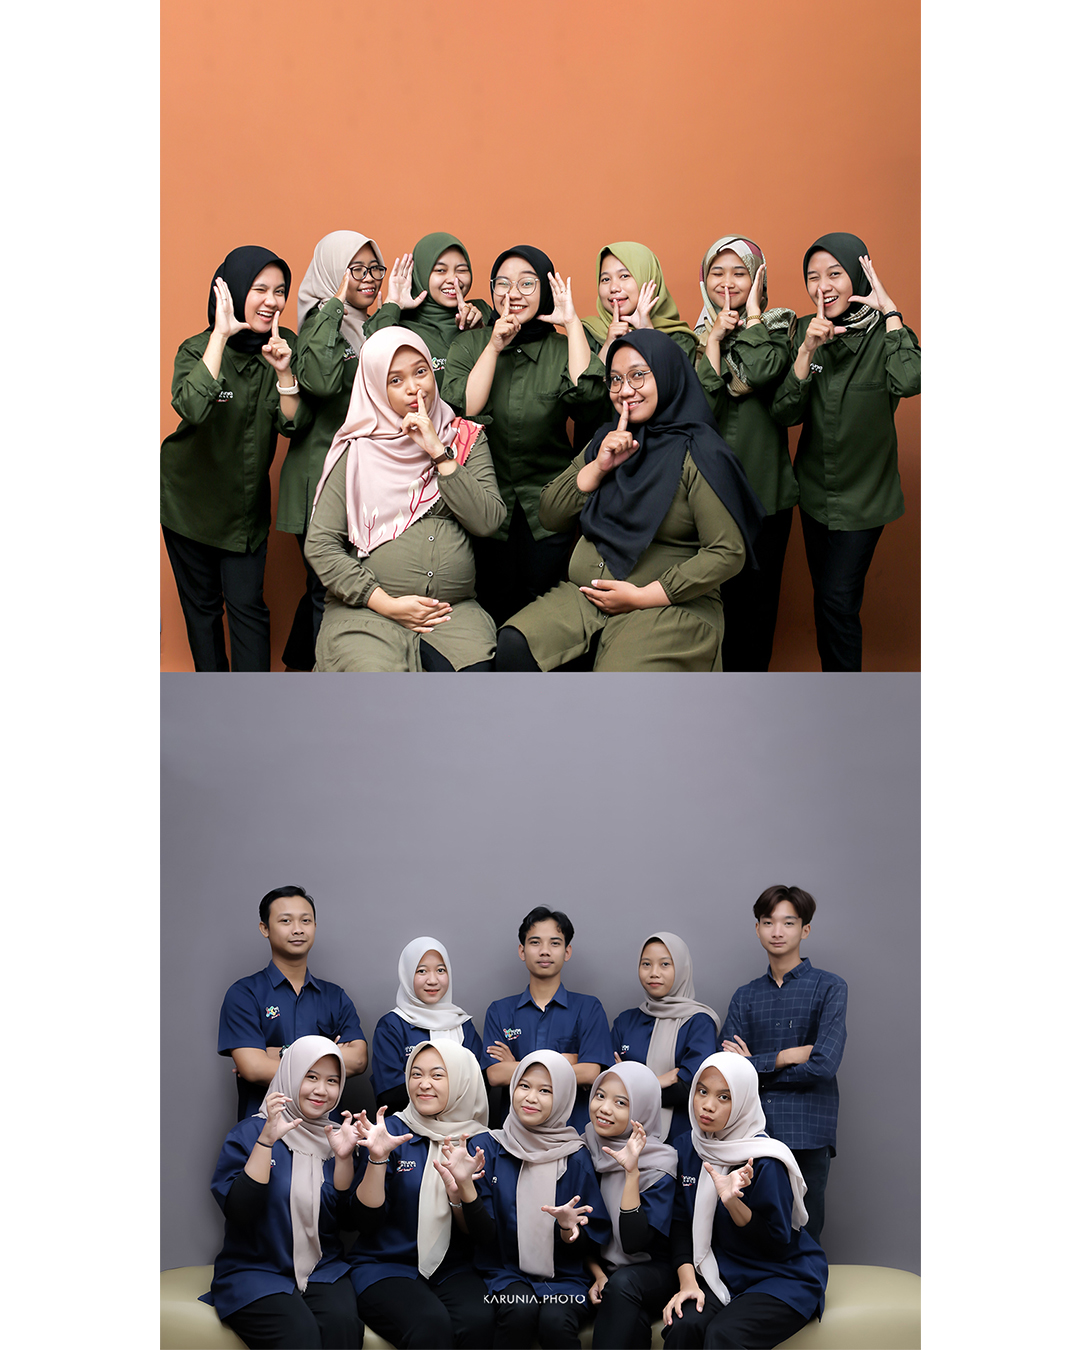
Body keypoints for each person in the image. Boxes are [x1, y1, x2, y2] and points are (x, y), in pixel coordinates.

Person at [495, 330, 764, 672]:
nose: (625, 390)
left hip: (666, 604)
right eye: (615, 379)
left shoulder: (700, 452)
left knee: (619, 688)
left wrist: (641, 596)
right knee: (514, 645)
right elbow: (549, 514)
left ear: (666, 374)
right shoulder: (608, 441)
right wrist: (598, 467)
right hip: (587, 595)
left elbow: (727, 553)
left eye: (638, 375)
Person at [304, 327, 506, 671]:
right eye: (395, 380)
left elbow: (488, 521)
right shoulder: (356, 453)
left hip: (450, 613)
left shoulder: (466, 438)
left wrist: (440, 454)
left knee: (474, 694)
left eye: (421, 371)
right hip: (369, 615)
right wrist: (385, 603)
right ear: (374, 390)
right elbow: (320, 545)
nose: (414, 387)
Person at [770, 232, 921, 670]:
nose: (824, 286)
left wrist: (890, 311)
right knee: (827, 602)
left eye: (835, 273)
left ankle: (847, 704)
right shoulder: (804, 330)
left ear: (858, 274)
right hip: (815, 496)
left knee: (837, 601)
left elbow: (910, 381)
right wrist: (805, 352)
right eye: (813, 277)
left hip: (865, 499)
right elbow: (784, 413)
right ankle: (835, 693)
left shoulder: (889, 335)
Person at [161, 245, 311, 671]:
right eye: (260, 289)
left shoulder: (285, 346)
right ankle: (213, 711)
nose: (272, 300)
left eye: (280, 291)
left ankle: (252, 713)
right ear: (232, 292)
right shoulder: (197, 348)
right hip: (187, 505)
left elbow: (294, 426)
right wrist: (220, 335)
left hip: (245, 512)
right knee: (203, 613)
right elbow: (191, 407)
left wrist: (284, 373)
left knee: (248, 609)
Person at [441, 244, 609, 625]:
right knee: (489, 607)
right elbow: (463, 410)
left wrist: (572, 324)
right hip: (484, 505)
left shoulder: (563, 347)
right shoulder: (469, 344)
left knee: (545, 613)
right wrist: (494, 345)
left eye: (527, 283)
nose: (512, 293)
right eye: (502, 283)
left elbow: (591, 400)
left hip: (548, 507)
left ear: (547, 290)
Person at [201, 1036, 363, 1349]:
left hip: (321, 1269)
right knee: (299, 1335)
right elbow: (239, 1212)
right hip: (255, 1270)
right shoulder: (250, 1133)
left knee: (342, 1328)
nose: (321, 1090)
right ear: (290, 1074)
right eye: (311, 1077)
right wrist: (266, 1142)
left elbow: (345, 1221)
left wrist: (344, 1160)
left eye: (332, 1081)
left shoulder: (337, 1138)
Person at [662, 1053, 827, 1349]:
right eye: (702, 1091)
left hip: (781, 1275)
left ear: (743, 1101)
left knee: (724, 1334)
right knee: (683, 1326)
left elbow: (776, 1244)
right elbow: (680, 1224)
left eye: (724, 1097)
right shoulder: (689, 1146)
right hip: (723, 1271)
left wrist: (732, 1202)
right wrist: (688, 1283)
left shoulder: (764, 1159)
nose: (708, 1105)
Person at [279, 230, 387, 670]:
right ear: (331, 274)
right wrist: (334, 306)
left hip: (357, 478)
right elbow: (322, 382)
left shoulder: (368, 326)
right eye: (355, 269)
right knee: (330, 586)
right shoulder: (316, 328)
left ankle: (298, 669)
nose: (368, 279)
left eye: (373, 268)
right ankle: (326, 691)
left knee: (328, 585)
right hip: (318, 479)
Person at [343, 1042, 495, 1349]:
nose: (423, 1084)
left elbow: (482, 1235)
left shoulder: (480, 1142)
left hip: (452, 1268)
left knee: (479, 1321)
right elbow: (363, 1222)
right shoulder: (391, 1132)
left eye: (438, 1075)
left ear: (463, 1082)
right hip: (384, 1265)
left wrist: (460, 1192)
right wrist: (377, 1159)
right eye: (415, 1074)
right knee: (429, 1325)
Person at [717, 886, 847, 1243]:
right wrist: (785, 1057)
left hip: (807, 1130)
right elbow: (729, 1071)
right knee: (752, 1229)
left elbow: (823, 1065)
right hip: (751, 1133)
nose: (777, 931)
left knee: (806, 1232)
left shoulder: (830, 988)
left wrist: (754, 1066)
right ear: (757, 928)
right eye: (768, 922)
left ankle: (804, 1297)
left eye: (788, 923)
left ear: (805, 929)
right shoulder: (745, 996)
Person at [695, 236, 798, 671]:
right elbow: (701, 408)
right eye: (716, 272)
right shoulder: (695, 337)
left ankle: (752, 710)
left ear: (758, 277)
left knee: (757, 611)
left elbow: (759, 370)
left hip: (766, 494)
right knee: (710, 610)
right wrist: (714, 341)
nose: (727, 282)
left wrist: (752, 315)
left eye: (740, 272)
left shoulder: (781, 328)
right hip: (708, 495)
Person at [466, 1050, 611, 1348]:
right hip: (503, 1275)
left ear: (563, 1099)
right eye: (524, 1086)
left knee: (556, 1323)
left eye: (546, 1091)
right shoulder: (487, 1147)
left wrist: (568, 1230)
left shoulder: (576, 1156)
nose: (531, 1098)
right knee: (519, 1309)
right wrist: (462, 1186)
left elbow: (590, 1241)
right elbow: (482, 1235)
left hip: (565, 1280)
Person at [218, 886, 368, 1121]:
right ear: (264, 928)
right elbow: (253, 1068)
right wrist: (329, 1055)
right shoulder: (244, 994)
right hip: (265, 1129)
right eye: (286, 921)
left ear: (315, 926)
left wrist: (278, 1052)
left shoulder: (335, 997)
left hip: (329, 1133)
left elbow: (358, 1060)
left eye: (305, 920)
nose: (297, 929)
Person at [483, 907, 611, 1131]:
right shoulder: (499, 1011)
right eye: (535, 943)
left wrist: (518, 1066)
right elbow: (494, 1075)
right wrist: (568, 1061)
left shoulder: (589, 1008)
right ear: (522, 951)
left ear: (567, 951)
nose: (544, 951)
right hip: (514, 1134)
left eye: (554, 943)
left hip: (573, 1135)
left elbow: (591, 1072)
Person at [582, 1063, 679, 1350]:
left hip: (651, 1271)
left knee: (624, 1284)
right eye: (600, 1096)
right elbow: (582, 1232)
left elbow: (634, 1243)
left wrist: (631, 1173)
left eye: (621, 1102)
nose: (604, 1108)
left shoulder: (661, 1164)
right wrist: (599, 1275)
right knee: (631, 1319)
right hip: (601, 1270)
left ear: (643, 1109)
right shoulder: (584, 1147)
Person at [576, 242, 700, 453]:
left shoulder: (679, 338)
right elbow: (583, 404)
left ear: (648, 279)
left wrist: (648, 334)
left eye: (625, 276)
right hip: (597, 452)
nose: (614, 287)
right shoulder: (586, 333)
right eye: (605, 279)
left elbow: (681, 401)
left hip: (663, 451)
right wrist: (608, 345)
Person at [611, 933, 721, 1140]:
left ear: (681, 969)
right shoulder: (625, 1021)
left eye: (664, 965)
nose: (654, 973)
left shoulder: (698, 1022)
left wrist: (628, 1088)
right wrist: (657, 1081)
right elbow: (607, 1083)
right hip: (622, 1135)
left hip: (680, 1136)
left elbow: (690, 1089)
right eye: (646, 964)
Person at [370, 936, 486, 1112]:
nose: (433, 980)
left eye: (440, 970)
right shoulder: (392, 1025)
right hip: (405, 1132)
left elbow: (479, 1085)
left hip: (459, 1130)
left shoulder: (462, 1024)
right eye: (422, 971)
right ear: (407, 975)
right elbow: (390, 1094)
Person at [363, 233, 491, 386]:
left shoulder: (481, 312)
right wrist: (393, 303)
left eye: (462, 270)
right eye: (440, 270)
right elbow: (375, 357)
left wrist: (480, 332)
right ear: (421, 273)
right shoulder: (404, 326)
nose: (453, 279)